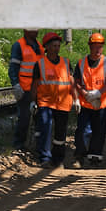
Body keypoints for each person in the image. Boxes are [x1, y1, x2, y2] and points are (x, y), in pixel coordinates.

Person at [72, 32, 106, 167]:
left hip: (101, 102)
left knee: (99, 130)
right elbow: (77, 82)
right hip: (86, 102)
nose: (97, 50)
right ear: (90, 46)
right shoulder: (81, 63)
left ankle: (95, 157)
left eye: (100, 47)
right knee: (82, 130)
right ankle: (79, 155)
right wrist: (84, 94)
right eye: (95, 47)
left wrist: (98, 93)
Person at [31, 31, 75, 168]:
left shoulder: (66, 63)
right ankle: (45, 158)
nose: (57, 48)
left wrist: (76, 99)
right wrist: (33, 101)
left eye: (58, 45)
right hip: (45, 102)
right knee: (45, 127)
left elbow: (72, 82)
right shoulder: (40, 64)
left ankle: (58, 160)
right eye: (54, 45)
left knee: (60, 135)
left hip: (63, 103)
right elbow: (35, 85)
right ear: (47, 47)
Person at [8, 29, 41, 150]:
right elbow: (13, 67)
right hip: (25, 89)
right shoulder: (19, 45)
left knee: (40, 119)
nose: (35, 31)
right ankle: (19, 144)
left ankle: (39, 145)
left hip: (38, 89)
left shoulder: (40, 47)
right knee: (24, 118)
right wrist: (16, 85)